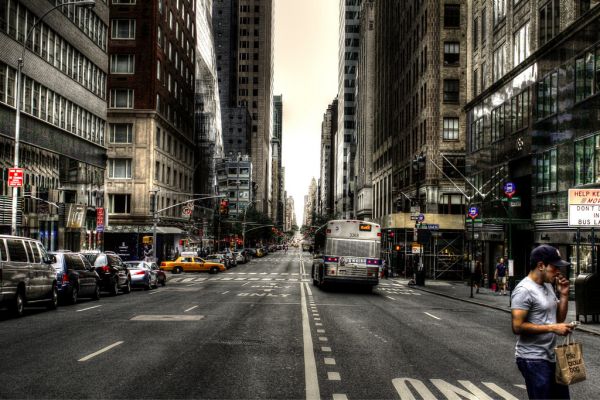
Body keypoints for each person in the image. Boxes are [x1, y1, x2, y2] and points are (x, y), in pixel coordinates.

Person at [511, 244, 573, 400]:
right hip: (532, 358)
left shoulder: (547, 286)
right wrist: (553, 328)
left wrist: (564, 295)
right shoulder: (524, 290)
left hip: (551, 356)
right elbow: (517, 327)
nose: (558, 271)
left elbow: (559, 319)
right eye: (554, 267)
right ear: (541, 266)